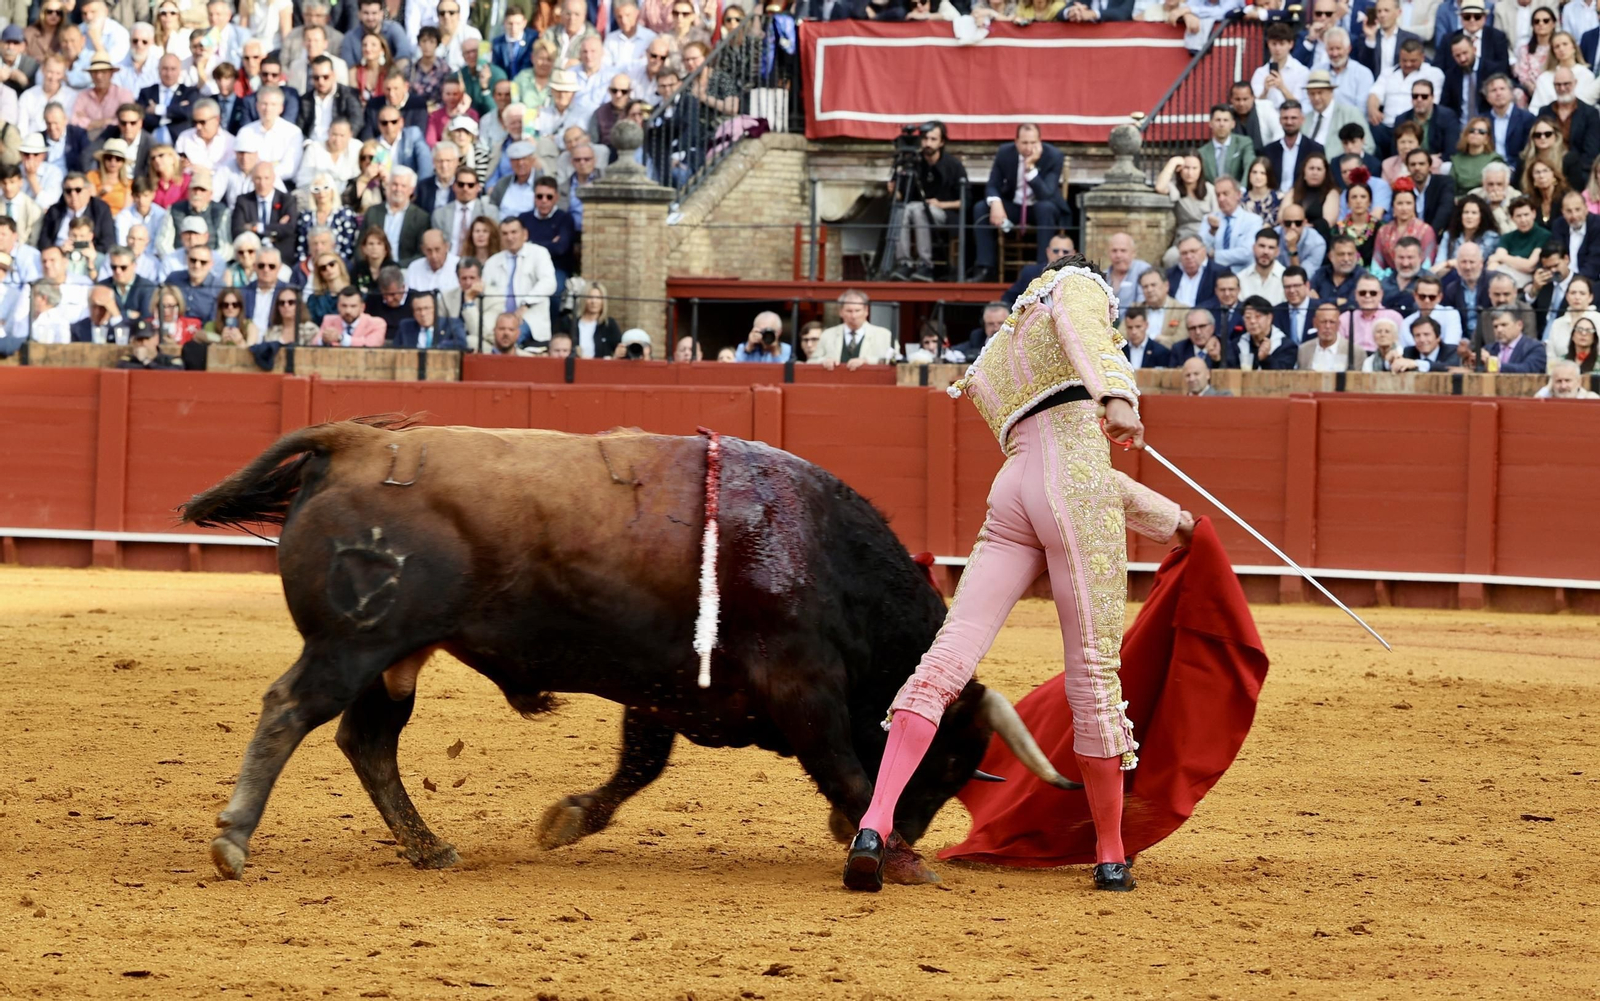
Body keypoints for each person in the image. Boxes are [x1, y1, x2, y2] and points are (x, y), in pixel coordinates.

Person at [846, 253, 1190, 896]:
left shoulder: (1008, 341)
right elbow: (1079, 465)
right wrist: (1118, 394)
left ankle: (873, 825)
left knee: (944, 662)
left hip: (1013, 487)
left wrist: (1175, 521)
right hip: (1072, 481)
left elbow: (1055, 460)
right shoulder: (1077, 287)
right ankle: (1111, 855)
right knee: (1092, 669)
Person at [970, 123, 1067, 282]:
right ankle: (986, 268)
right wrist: (996, 202)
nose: (1029, 147)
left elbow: (1046, 194)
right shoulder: (1004, 153)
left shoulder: (1054, 156)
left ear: (1040, 141)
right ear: (1016, 142)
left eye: (1033, 143)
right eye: (1025, 143)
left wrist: (1030, 168)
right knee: (981, 208)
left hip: (1040, 207)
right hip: (1014, 206)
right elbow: (992, 184)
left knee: (1045, 208)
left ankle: (1043, 269)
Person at [891, 121, 966, 283]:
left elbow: (966, 201)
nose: (928, 143)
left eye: (933, 139)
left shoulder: (953, 165)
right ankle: (904, 262)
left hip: (945, 214)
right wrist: (894, 185)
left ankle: (926, 265)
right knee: (903, 209)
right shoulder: (915, 163)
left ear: (941, 142)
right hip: (916, 211)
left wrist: (940, 204)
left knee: (918, 209)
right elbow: (902, 196)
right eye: (925, 139)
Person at [808, 289, 896, 369]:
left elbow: (896, 360)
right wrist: (823, 361)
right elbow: (811, 361)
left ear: (866, 311)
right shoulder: (828, 335)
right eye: (849, 311)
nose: (853, 316)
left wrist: (867, 361)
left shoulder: (884, 335)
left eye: (857, 311)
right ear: (841, 312)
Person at [314, 285, 387, 345]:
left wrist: (341, 338)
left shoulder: (377, 323)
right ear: (338, 306)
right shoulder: (329, 320)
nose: (348, 311)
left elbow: (371, 344)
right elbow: (314, 343)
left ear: (362, 307)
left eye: (353, 306)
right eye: (344, 306)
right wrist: (323, 340)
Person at [395, 291, 467, 349]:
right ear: (413, 312)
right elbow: (395, 349)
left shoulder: (451, 324)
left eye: (426, 308)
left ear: (435, 309)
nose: (423, 313)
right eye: (418, 310)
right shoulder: (405, 326)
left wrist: (437, 347)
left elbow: (461, 343)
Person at [1391, 314, 1460, 371]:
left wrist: (1417, 364)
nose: (1422, 339)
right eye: (1417, 335)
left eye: (1426, 334)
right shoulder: (1408, 352)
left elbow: (1449, 367)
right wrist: (1391, 361)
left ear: (1438, 337)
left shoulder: (1452, 351)